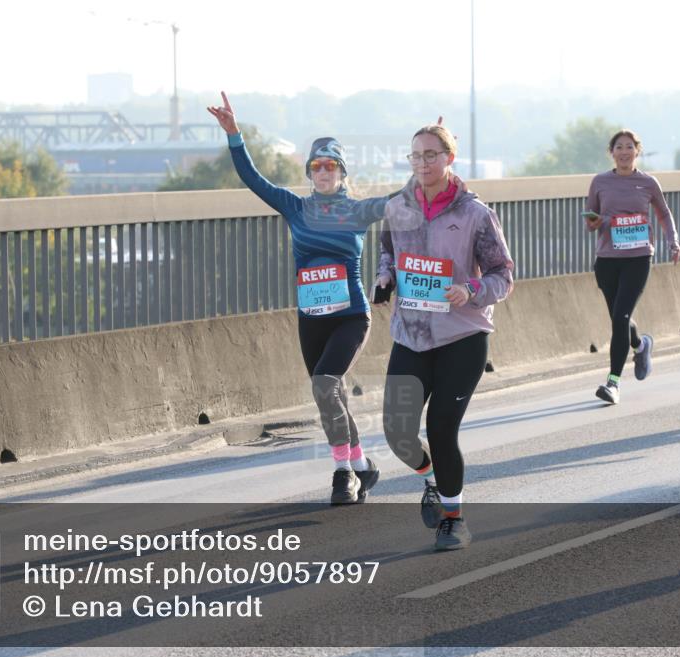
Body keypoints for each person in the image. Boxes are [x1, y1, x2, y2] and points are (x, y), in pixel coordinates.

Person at [207, 92, 393, 505]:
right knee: (332, 394)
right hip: (311, 319)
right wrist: (235, 135)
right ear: (310, 173)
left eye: (330, 165)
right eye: (316, 166)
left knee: (326, 384)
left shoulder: (357, 211)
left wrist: (428, 162)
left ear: (342, 172)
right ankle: (363, 465)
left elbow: (399, 201)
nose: (323, 171)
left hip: (350, 317)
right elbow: (253, 180)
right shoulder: (295, 208)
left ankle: (342, 473)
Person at [375, 124, 514, 550]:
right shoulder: (397, 207)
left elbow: (503, 275)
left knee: (440, 429)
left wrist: (469, 290)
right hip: (410, 334)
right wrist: (384, 276)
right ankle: (431, 480)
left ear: (449, 159)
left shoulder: (474, 213)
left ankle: (454, 519)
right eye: (415, 156)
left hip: (462, 337)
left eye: (431, 155)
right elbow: (387, 251)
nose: (422, 163)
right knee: (398, 431)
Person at [583, 129, 680, 405]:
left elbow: (663, 213)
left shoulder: (648, 183)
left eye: (629, 147)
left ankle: (612, 383)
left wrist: (673, 241)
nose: (624, 152)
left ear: (637, 151)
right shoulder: (600, 182)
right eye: (619, 147)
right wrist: (594, 222)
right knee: (619, 316)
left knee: (620, 318)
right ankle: (641, 345)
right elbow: (590, 219)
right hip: (607, 260)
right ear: (612, 153)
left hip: (638, 258)